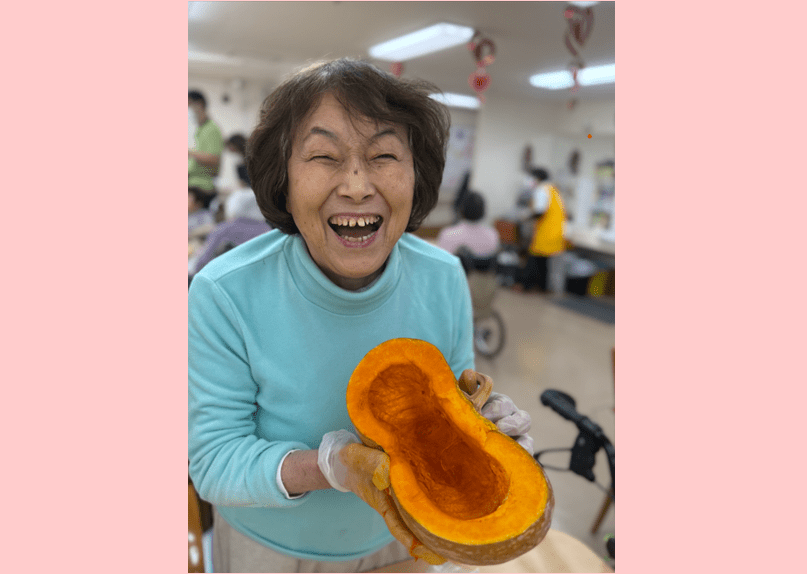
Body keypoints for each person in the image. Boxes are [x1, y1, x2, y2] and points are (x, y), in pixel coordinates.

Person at [188, 58, 534, 573]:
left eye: (384, 155)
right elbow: (214, 461)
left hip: (405, 541)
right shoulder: (224, 291)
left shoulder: (443, 276)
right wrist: (328, 468)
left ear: (416, 176)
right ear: (284, 180)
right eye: (324, 156)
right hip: (271, 551)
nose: (355, 185)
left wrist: (485, 433)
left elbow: (453, 402)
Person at [517, 168, 567, 292]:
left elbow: (539, 211)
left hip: (546, 231)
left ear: (537, 178)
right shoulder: (553, 189)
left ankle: (526, 285)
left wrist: (526, 216)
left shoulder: (542, 189)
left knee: (534, 257)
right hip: (556, 231)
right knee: (543, 261)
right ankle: (542, 287)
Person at [188, 90, 224, 193]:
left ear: (199, 104)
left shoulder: (212, 129)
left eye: (189, 104)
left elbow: (214, 159)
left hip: (202, 188)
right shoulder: (200, 129)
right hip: (192, 184)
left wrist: (189, 153)